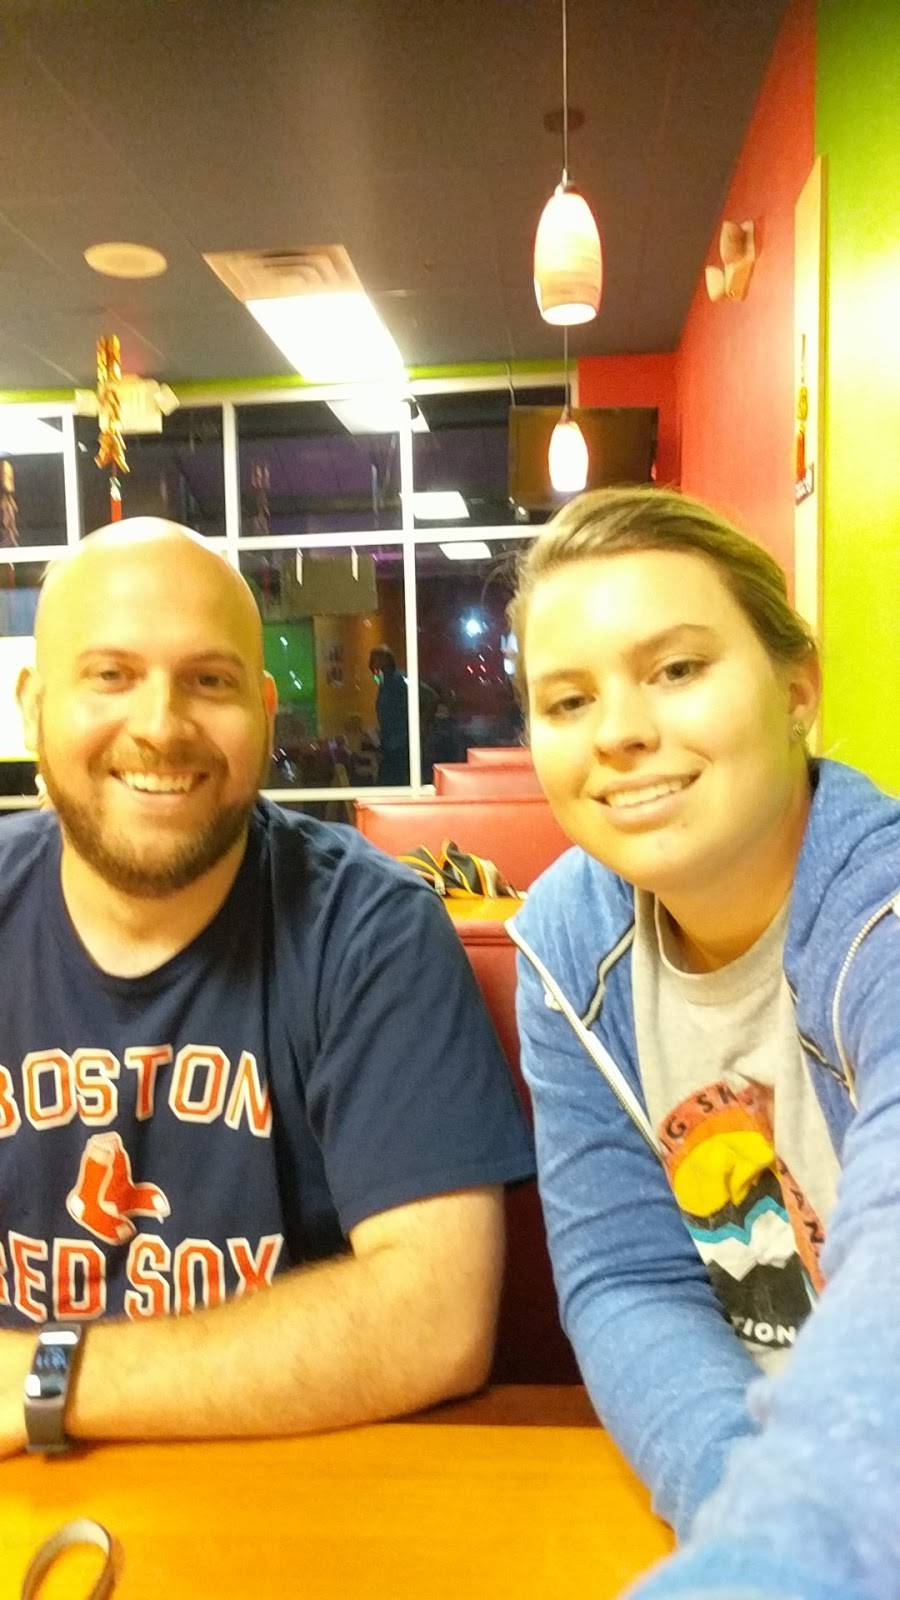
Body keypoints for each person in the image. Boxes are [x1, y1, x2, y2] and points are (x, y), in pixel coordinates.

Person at [0, 517, 534, 1458]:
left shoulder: (369, 928)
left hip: (294, 1476)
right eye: (111, 674)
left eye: (209, 681)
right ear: (33, 704)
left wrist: (48, 1379)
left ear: (265, 709)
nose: (160, 726)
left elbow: (435, 1318)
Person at [506, 486, 899, 1600]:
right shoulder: (567, 948)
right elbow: (627, 1279)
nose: (619, 730)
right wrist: (739, 1505)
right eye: (569, 699)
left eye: (676, 668)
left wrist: (781, 1554)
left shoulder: (880, 911)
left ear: (796, 689)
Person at [368, 645, 409, 785]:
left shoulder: (399, 680)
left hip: (400, 744)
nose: (371, 664)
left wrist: (420, 727)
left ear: (386, 660)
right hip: (389, 743)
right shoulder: (383, 682)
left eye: (375, 659)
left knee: (394, 782)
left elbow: (429, 697)